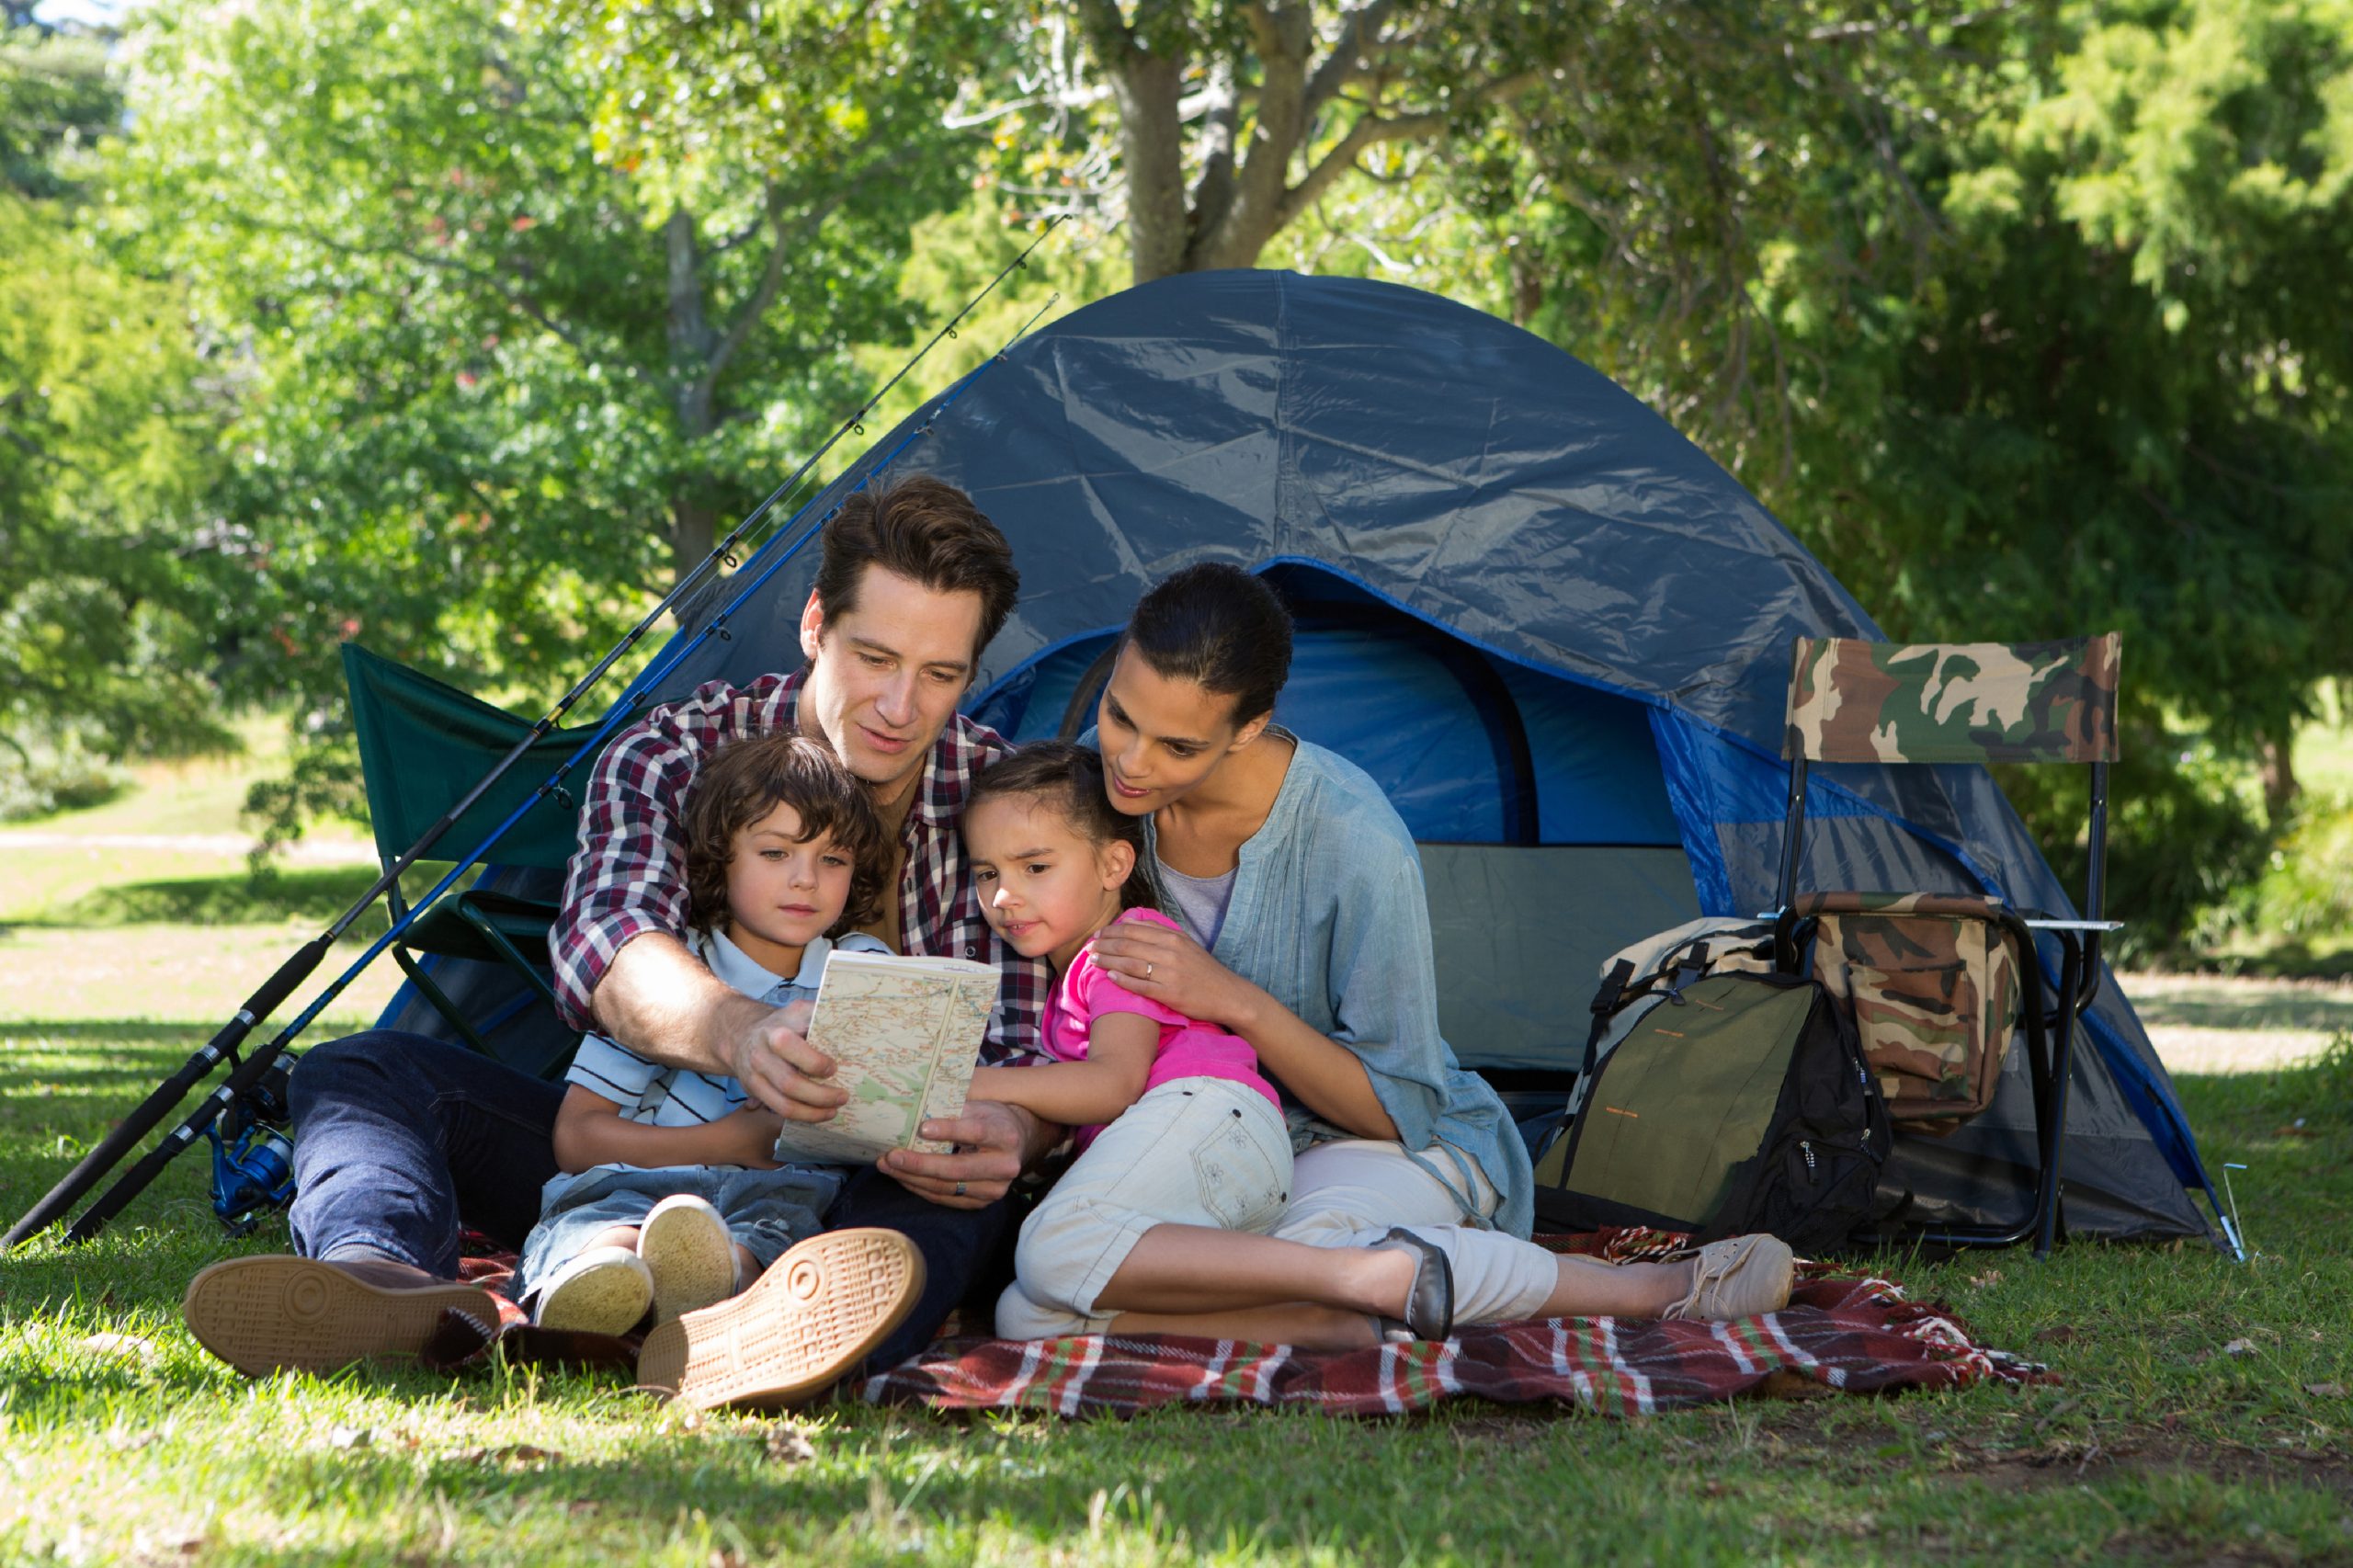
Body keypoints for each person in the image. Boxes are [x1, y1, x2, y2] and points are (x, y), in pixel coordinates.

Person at [184, 476, 1054, 1400]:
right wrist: (742, 1032)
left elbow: (1036, 1048)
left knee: (960, 1195)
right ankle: (382, 1282)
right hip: (646, 1156)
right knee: (361, 1071)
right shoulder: (675, 749)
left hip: (863, 1184)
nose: (900, 705)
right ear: (814, 626)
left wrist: (1019, 1129)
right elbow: (609, 943)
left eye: (940, 674)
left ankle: (777, 1327)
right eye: (874, 658)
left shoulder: (1005, 803)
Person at [1038, 564, 1791, 1346]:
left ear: (1250, 727)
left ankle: (1656, 1288)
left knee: (1291, 1250)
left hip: (1368, 1143)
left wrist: (1234, 1001)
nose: (1131, 761)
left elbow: (1396, 1108)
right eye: (1120, 715)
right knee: (1043, 1287)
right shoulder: (1089, 789)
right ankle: (1337, 1322)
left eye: (1179, 746)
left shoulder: (1354, 837)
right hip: (1201, 1140)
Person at [517, 731, 911, 1346]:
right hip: (635, 1185)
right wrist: (731, 1141)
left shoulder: (862, 973)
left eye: (833, 860)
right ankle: (600, 1280)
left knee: (777, 1237)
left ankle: (721, 1296)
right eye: (776, 853)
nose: (806, 880)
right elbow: (576, 1138)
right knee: (603, 1228)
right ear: (719, 858)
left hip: (779, 1196)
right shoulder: (667, 978)